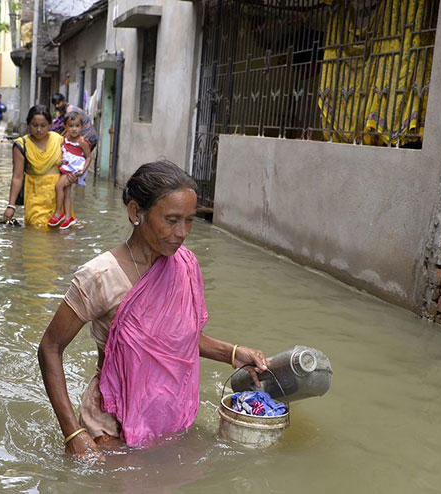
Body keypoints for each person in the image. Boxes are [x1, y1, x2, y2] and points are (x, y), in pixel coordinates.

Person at [37, 160, 270, 459]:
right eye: (172, 220)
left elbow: (179, 339)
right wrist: (73, 433)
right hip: (111, 425)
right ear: (136, 212)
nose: (183, 232)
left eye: (189, 220)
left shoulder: (185, 266)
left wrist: (234, 353)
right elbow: (50, 348)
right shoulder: (100, 276)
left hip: (170, 415)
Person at [2, 106, 70, 228]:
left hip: (58, 198)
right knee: (37, 230)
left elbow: (71, 164)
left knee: (60, 235)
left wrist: (75, 176)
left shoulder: (59, 140)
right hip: (35, 197)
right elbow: (17, 177)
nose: (39, 129)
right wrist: (11, 205)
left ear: (49, 124)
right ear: (28, 124)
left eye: (43, 125)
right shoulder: (22, 145)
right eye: (34, 125)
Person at [47, 112, 92, 230]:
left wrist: (82, 171)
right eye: (71, 126)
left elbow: (88, 157)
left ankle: (58, 212)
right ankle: (68, 218)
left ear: (81, 127)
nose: (74, 129)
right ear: (66, 127)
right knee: (67, 194)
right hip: (66, 167)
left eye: (77, 126)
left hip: (75, 169)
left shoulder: (82, 142)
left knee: (58, 187)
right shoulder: (65, 137)